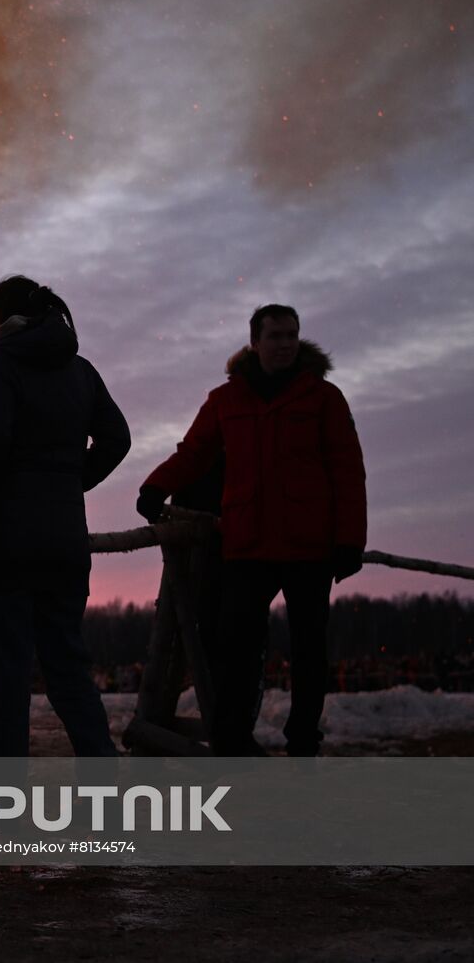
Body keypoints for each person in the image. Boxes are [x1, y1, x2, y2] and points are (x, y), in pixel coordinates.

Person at [137, 304, 367, 756]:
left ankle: (303, 740)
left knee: (308, 651)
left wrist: (349, 541)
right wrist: (156, 485)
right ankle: (232, 739)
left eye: (291, 335)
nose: (285, 344)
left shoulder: (324, 397)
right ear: (255, 342)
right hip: (248, 545)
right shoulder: (226, 400)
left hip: (309, 545)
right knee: (234, 647)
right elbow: (195, 452)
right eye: (276, 336)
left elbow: (347, 470)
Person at [0, 277, 129, 757]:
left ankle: (8, 805)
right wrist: (70, 484)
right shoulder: (81, 370)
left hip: (4, 544)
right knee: (69, 668)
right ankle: (104, 786)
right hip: (64, 542)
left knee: (8, 679)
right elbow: (117, 440)